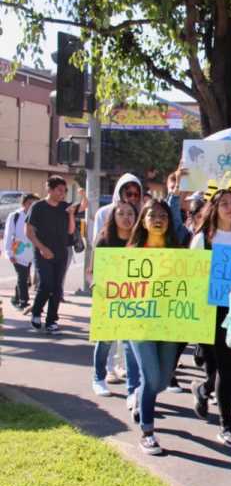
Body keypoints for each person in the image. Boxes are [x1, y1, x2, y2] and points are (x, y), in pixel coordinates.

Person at [189, 189, 231, 446]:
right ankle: (227, 426)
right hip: (213, 310)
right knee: (226, 369)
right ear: (214, 209)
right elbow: (193, 275)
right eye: (224, 204)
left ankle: (204, 388)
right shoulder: (203, 239)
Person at [126, 199, 182, 455]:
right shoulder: (132, 254)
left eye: (163, 215)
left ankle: (140, 396)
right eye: (152, 214)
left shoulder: (180, 254)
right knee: (151, 378)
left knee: (159, 383)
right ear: (144, 220)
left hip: (170, 325)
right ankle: (147, 432)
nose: (158, 219)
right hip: (141, 325)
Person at [90, 200, 140, 402]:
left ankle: (132, 388)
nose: (126, 218)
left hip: (134, 297)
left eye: (130, 214)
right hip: (109, 297)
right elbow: (96, 271)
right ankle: (98, 378)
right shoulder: (104, 240)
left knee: (129, 341)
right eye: (121, 214)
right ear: (113, 217)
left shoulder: (139, 241)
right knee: (105, 340)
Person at [26, 176, 85, 333]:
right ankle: (36, 312)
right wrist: (42, 248)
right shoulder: (37, 207)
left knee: (57, 288)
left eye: (64, 190)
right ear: (49, 189)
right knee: (46, 284)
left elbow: (83, 208)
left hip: (61, 252)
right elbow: (29, 232)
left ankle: (52, 320)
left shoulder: (65, 207)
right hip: (43, 252)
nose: (63, 193)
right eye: (59, 190)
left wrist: (83, 195)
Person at [3, 193, 39, 310]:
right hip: (19, 250)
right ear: (24, 204)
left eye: (35, 204)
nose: (32, 206)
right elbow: (8, 235)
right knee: (22, 276)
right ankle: (23, 301)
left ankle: (16, 298)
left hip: (32, 252)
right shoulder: (15, 216)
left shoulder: (38, 216)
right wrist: (9, 253)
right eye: (30, 203)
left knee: (24, 277)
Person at [92, 173, 143, 242]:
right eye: (129, 194)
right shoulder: (103, 213)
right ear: (120, 193)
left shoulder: (143, 214)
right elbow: (97, 242)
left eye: (136, 195)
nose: (133, 198)